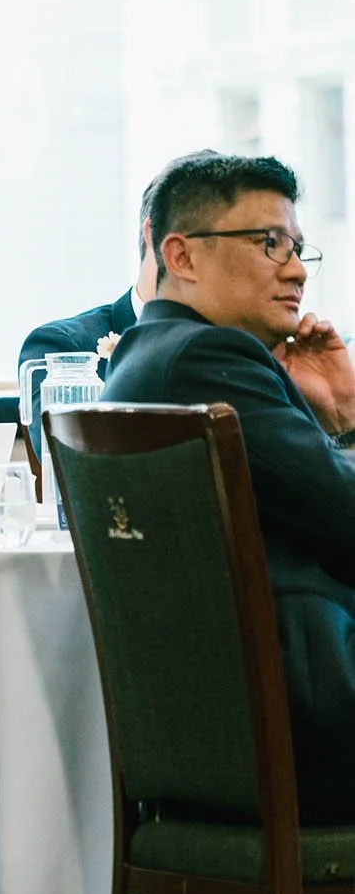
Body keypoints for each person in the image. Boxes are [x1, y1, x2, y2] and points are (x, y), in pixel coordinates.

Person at [100, 151, 355, 821]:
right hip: (307, 717)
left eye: (299, 247)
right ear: (180, 255)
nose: (296, 268)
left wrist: (334, 418)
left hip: (223, 738)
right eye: (269, 242)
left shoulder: (145, 356)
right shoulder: (208, 359)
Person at [17, 151, 218, 460]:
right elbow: (74, 473)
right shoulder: (64, 346)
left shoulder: (248, 351)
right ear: (157, 236)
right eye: (210, 242)